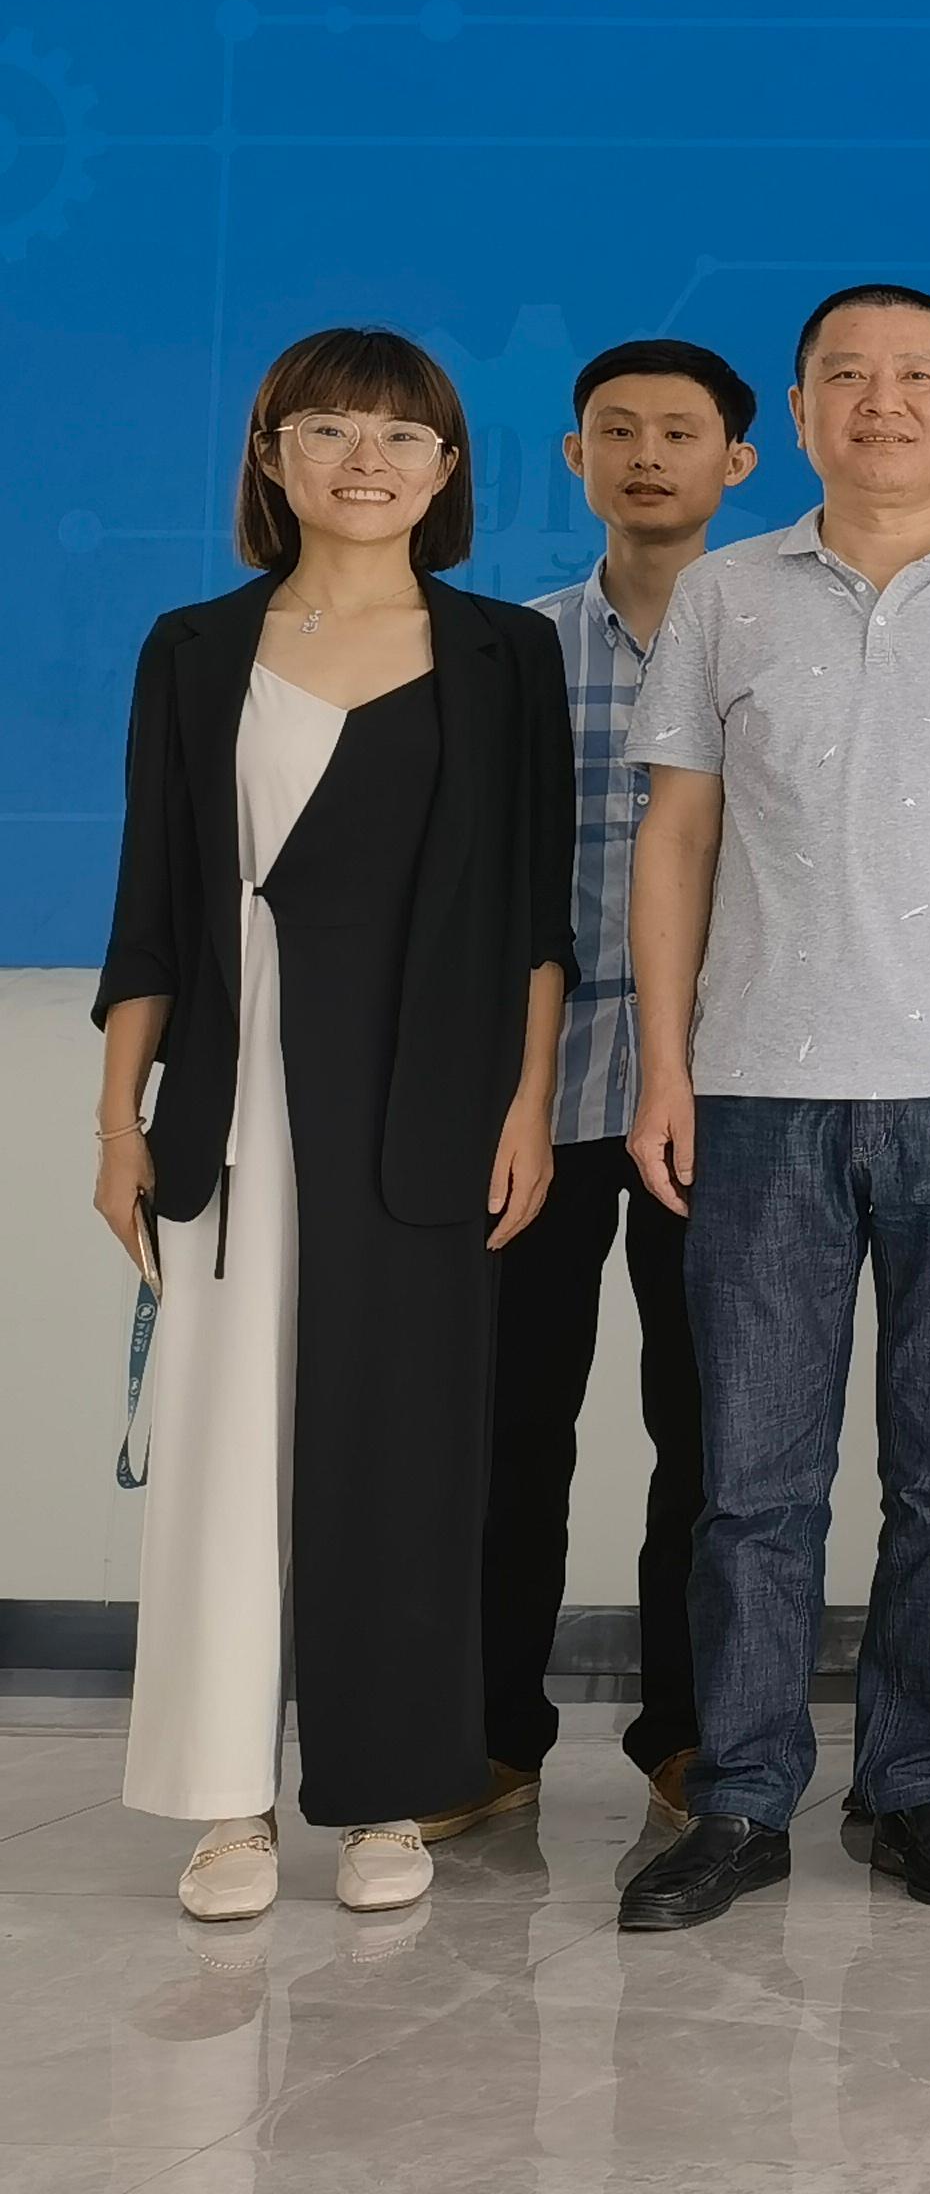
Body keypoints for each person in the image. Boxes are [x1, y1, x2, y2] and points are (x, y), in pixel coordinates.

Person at [616, 284, 930, 1933]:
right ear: (805, 413)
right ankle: (744, 1796)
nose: (881, 402)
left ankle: (918, 1783)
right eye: (847, 377)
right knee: (753, 1483)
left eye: (916, 379)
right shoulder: (725, 597)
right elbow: (677, 837)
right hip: (759, 1092)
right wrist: (666, 1066)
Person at [93, 329, 572, 1921]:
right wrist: (118, 1125)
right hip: (231, 1114)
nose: (367, 461)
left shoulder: (505, 654)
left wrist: (527, 1106)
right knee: (224, 1452)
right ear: (270, 456)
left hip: (428, 1110)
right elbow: (152, 904)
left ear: (446, 472)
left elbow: (533, 914)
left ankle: (389, 1792)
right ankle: (226, 1807)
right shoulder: (193, 648)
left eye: (401, 436)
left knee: (406, 1457)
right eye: (329, 429)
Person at [438, 340, 761, 1845]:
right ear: (573, 458)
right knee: (511, 1424)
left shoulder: (770, 633)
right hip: (540, 1092)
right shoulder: (513, 649)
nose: (647, 456)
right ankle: (488, 1735)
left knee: (710, 1432)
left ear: (737, 462)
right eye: (616, 431)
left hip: (727, 1087)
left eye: (679, 433)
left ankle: (687, 1735)